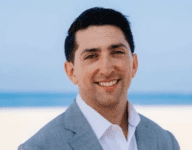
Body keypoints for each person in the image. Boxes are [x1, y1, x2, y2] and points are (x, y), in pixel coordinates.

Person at [18, 7, 180, 150]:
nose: (107, 69)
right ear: (71, 72)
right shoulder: (38, 147)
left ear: (134, 65)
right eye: (91, 56)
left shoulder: (165, 142)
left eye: (117, 52)